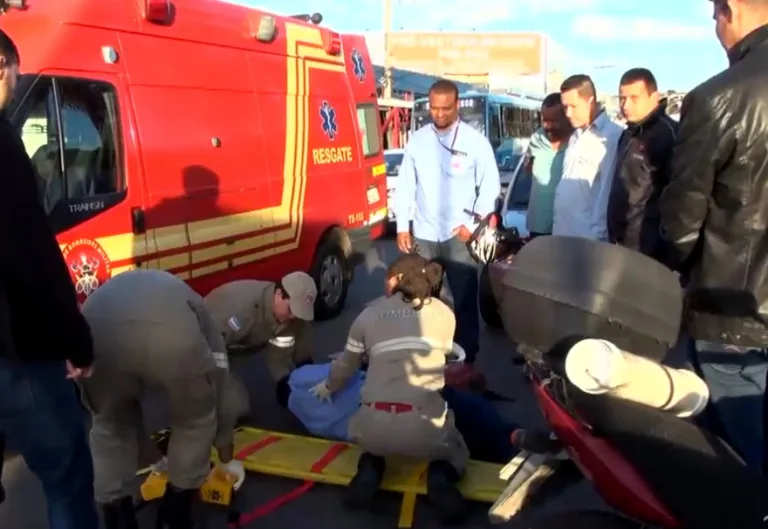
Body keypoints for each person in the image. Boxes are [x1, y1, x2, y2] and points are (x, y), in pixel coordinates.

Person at [659, 0, 768, 472]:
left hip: (734, 310)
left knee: (738, 455)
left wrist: (672, 264)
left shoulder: (718, 98)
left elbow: (683, 214)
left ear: (730, 12)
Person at [0, 29, 99, 529]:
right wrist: (78, 343)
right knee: (67, 475)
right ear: (2, 69)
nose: (15, 89)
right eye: (15, 77)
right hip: (17, 356)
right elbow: (31, 257)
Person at [79, 269, 248, 529]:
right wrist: (225, 449)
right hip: (173, 338)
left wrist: (153, 457)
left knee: (110, 428)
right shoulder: (198, 308)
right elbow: (219, 383)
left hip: (97, 330)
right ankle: (173, 515)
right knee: (195, 421)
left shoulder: (115, 289)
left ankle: (117, 517)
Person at [308, 254, 470, 523]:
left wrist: (327, 387)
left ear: (396, 279)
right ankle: (440, 477)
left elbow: (347, 366)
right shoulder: (445, 314)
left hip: (374, 427)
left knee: (371, 438)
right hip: (424, 430)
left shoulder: (368, 315)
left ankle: (371, 466)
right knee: (456, 449)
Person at [393, 79, 500, 388]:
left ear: (456, 107)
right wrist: (403, 225)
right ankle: (430, 351)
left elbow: (490, 187)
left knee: (465, 300)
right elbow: (406, 185)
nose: (438, 114)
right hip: (425, 234)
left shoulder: (474, 141)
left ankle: (466, 359)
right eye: (433, 108)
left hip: (459, 236)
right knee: (423, 296)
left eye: (445, 108)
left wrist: (474, 226)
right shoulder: (418, 140)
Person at [279, 357, 519, 465]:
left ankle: (497, 449)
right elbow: (342, 370)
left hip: (375, 427)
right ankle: (511, 437)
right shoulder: (298, 379)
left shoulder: (309, 423)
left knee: (450, 426)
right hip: (384, 393)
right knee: (459, 405)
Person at [607, 68, 678, 261]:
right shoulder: (628, 134)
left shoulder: (667, 134)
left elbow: (680, 196)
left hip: (648, 248)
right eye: (622, 98)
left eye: (634, 98)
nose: (626, 105)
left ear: (654, 97)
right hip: (619, 243)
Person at [203, 272, 317, 385]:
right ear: (279, 294)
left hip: (234, 341)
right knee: (233, 401)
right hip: (204, 340)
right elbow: (212, 343)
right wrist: (219, 382)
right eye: (290, 310)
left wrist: (285, 382)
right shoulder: (241, 310)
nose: (293, 317)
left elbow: (280, 356)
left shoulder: (286, 317)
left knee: (301, 325)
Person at [554, 74, 624, 240]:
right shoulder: (575, 135)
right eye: (565, 107)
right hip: (562, 235)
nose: (568, 113)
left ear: (590, 102)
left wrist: (597, 242)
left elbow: (606, 196)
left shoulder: (611, 137)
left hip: (586, 242)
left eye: (573, 106)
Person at [525, 93, 572, 238]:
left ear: (566, 117)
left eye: (554, 121)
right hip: (538, 227)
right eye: (545, 120)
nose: (547, 126)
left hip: (568, 227)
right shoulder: (535, 140)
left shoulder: (578, 143)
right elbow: (528, 169)